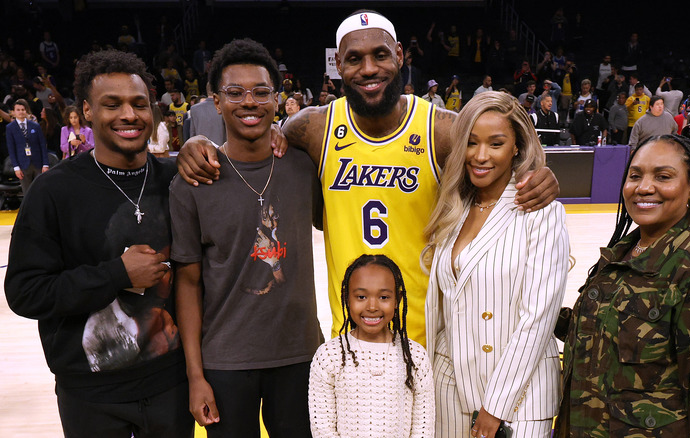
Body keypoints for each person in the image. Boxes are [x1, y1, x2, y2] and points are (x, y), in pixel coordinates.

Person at [176, 9, 559, 346]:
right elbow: (253, 144)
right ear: (338, 65)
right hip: (350, 333)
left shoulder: (441, 129)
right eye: (355, 59)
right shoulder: (311, 128)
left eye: (380, 55)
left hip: (429, 332)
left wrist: (539, 174)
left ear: (400, 56)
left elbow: (497, 156)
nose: (369, 68)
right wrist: (199, 141)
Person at [4, 49, 193, 437]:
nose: (129, 114)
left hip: (171, 386)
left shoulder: (176, 178)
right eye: (113, 104)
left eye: (139, 104)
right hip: (91, 394)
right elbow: (25, 292)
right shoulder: (53, 191)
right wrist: (116, 273)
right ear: (87, 111)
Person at [170, 38, 322, 437]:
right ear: (216, 102)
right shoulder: (193, 180)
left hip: (299, 355)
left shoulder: (304, 166)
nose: (249, 102)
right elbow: (187, 283)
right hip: (225, 361)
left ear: (277, 99)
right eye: (234, 93)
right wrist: (195, 375)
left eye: (260, 92)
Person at [555, 134, 690, 437]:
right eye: (635, 175)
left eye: (663, 176)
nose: (644, 187)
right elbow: (606, 337)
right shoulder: (622, 252)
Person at [423, 92, 570, 438]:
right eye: (471, 143)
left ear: (517, 146)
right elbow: (442, 311)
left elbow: (538, 318)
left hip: (520, 396)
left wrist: (495, 408)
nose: (481, 155)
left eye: (496, 143)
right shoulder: (452, 207)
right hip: (451, 387)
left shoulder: (541, 210)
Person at [308, 254, 434, 437]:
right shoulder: (329, 356)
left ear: (397, 300)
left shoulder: (415, 356)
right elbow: (323, 429)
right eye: (361, 296)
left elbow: (423, 428)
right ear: (346, 298)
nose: (372, 306)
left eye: (384, 297)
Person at [5, 98, 49, 194]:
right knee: (27, 193)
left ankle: (40, 209)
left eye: (23, 110)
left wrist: (45, 164)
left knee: (40, 191)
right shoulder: (10, 128)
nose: (21, 112)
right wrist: (16, 167)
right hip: (22, 164)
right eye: (18, 110)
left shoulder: (35, 126)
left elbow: (42, 145)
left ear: (26, 111)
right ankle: (29, 209)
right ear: (13, 112)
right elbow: (11, 149)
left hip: (38, 163)